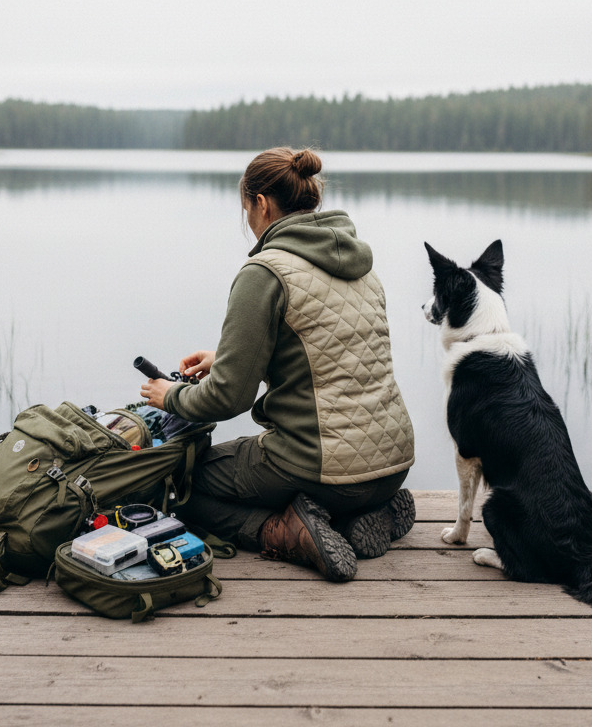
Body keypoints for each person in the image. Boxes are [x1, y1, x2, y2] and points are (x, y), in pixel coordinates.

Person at [140, 146, 415, 582]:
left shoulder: (264, 273)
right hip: (392, 465)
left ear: (261, 204)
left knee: (183, 484)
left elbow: (228, 398)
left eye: (246, 209)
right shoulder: (362, 266)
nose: (248, 219)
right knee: (316, 477)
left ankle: (283, 531)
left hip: (324, 467)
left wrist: (170, 396)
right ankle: (361, 515)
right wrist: (225, 358)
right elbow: (332, 354)